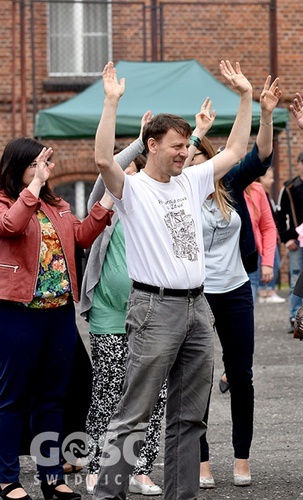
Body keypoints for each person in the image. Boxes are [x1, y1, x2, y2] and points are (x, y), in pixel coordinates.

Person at [92, 59, 255, 499]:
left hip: (197, 307)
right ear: (152, 145)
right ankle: (108, 493)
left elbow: (237, 149)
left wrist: (245, 97)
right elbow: (103, 158)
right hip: (153, 307)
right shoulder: (131, 187)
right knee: (134, 413)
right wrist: (111, 102)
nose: (186, 152)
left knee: (189, 417)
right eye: (178, 145)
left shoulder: (192, 180)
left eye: (188, 145)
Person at [0, 139, 113, 500]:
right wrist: (33, 187)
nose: (43, 169)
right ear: (16, 167)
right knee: (12, 399)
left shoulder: (57, 204)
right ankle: (6, 479)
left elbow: (81, 237)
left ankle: (50, 476)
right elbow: (12, 226)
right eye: (34, 164)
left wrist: (110, 197)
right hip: (18, 313)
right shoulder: (5, 202)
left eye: (45, 163)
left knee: (53, 399)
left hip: (60, 312)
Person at [190, 76, 277, 488]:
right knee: (197, 376)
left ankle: (241, 458)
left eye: (196, 160)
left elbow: (258, 151)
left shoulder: (227, 184)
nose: (189, 166)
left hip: (236, 291)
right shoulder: (173, 192)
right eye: (185, 160)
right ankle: (201, 460)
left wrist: (262, 110)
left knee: (240, 375)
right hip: (194, 295)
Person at [79, 117, 167, 496]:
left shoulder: (151, 200)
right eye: (124, 167)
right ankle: (98, 464)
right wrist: (138, 141)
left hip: (149, 314)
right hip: (108, 313)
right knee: (109, 391)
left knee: (154, 393)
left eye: (133, 167)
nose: (128, 173)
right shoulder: (107, 202)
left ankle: (139, 468)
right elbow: (105, 171)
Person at [278, 150, 303, 331]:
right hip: (297, 241)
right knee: (296, 280)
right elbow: (279, 215)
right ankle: (295, 317)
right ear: (298, 164)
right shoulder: (290, 188)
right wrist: (287, 238)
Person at [256, 168, 285, 304]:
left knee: (274, 262)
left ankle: (266, 291)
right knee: (271, 262)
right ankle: (267, 290)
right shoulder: (261, 195)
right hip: (264, 239)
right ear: (261, 178)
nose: (273, 181)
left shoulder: (267, 195)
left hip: (270, 236)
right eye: (270, 178)